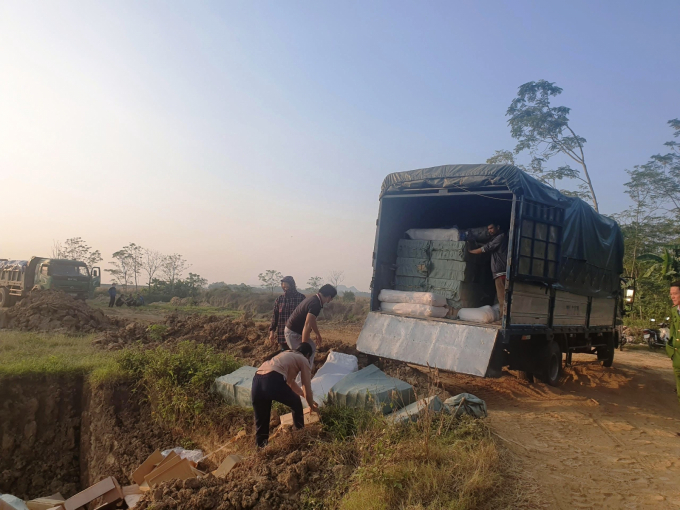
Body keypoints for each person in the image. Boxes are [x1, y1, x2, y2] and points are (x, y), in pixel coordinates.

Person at [251, 343, 318, 447]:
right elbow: (306, 387)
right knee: (296, 403)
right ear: (308, 355)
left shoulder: (286, 354)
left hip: (257, 381)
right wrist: (311, 405)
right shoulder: (303, 359)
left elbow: (290, 383)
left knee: (262, 422)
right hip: (272, 379)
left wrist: (303, 395)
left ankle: (261, 450)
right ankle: (300, 437)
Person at [285, 284, 337, 368]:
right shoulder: (316, 304)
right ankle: (301, 379)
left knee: (312, 347)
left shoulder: (314, 299)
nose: (331, 300)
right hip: (293, 333)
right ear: (329, 297)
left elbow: (312, 321)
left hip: (294, 331)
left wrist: (317, 334)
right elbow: (307, 324)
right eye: (332, 298)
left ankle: (306, 375)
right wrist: (304, 346)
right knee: (301, 358)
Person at [468, 223, 508, 313]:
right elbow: (488, 244)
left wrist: (471, 251)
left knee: (502, 297)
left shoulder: (501, 237)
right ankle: (502, 316)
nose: (490, 230)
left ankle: (502, 319)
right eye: (488, 229)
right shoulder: (498, 238)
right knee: (501, 297)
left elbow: (487, 247)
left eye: (491, 228)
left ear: (498, 227)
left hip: (501, 272)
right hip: (500, 271)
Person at [269, 276, 306, 352]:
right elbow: (275, 317)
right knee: (284, 356)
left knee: (297, 356)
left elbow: (306, 317)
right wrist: (272, 332)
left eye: (286, 285)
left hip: (297, 334)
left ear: (292, 285)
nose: (284, 287)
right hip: (283, 335)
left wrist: (306, 332)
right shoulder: (280, 299)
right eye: (283, 285)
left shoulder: (301, 298)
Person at [665, 282, 680, 410]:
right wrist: (671, 352)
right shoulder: (675, 311)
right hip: (677, 358)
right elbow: (673, 332)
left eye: (675, 294)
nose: (672, 297)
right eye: (671, 294)